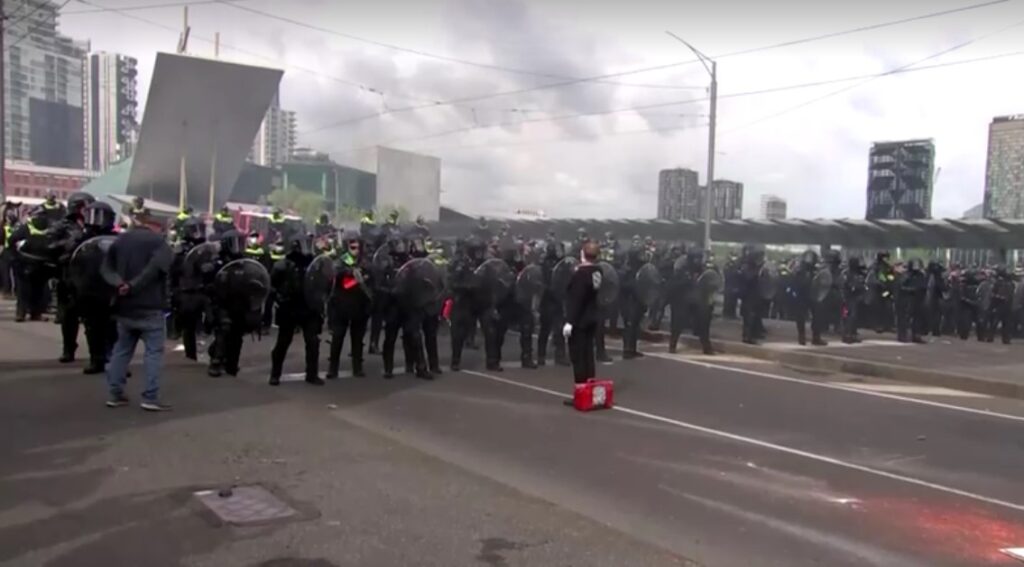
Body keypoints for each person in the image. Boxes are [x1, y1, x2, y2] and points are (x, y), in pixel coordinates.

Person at [101, 210, 173, 411]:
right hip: (150, 307)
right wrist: (133, 285)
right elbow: (156, 269)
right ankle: (150, 397)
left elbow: (106, 268)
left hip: (124, 306)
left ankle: (115, 394)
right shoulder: (159, 243)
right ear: (154, 226)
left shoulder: (120, 240)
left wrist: (120, 284)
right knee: (153, 354)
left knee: (122, 351)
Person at [269, 234, 325, 386]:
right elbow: (271, 285)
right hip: (290, 307)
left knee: (313, 341)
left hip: (309, 307)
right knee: (283, 342)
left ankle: (312, 374)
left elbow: (323, 283)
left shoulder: (314, 264)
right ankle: (275, 374)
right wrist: (279, 298)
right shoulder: (283, 265)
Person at [326, 234, 372, 379]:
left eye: (358, 247)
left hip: (359, 307)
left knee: (357, 340)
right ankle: (333, 369)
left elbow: (372, 277)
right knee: (337, 339)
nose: (355, 250)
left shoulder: (365, 262)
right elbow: (334, 272)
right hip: (342, 306)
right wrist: (349, 272)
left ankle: (357, 368)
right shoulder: (341, 261)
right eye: (352, 247)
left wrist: (365, 276)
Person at [563, 241, 602, 384]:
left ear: (582, 254)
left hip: (579, 320)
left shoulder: (581, 274)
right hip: (592, 317)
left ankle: (580, 391)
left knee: (578, 357)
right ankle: (590, 388)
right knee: (588, 355)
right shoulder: (598, 271)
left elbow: (576, 300)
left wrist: (569, 322)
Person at [791, 250, 829, 346]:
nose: (810, 260)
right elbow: (795, 283)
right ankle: (802, 336)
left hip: (813, 296)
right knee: (801, 317)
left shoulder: (816, 271)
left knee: (818, 316)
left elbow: (821, 282)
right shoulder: (799, 270)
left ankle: (816, 337)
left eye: (812, 258)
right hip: (802, 296)